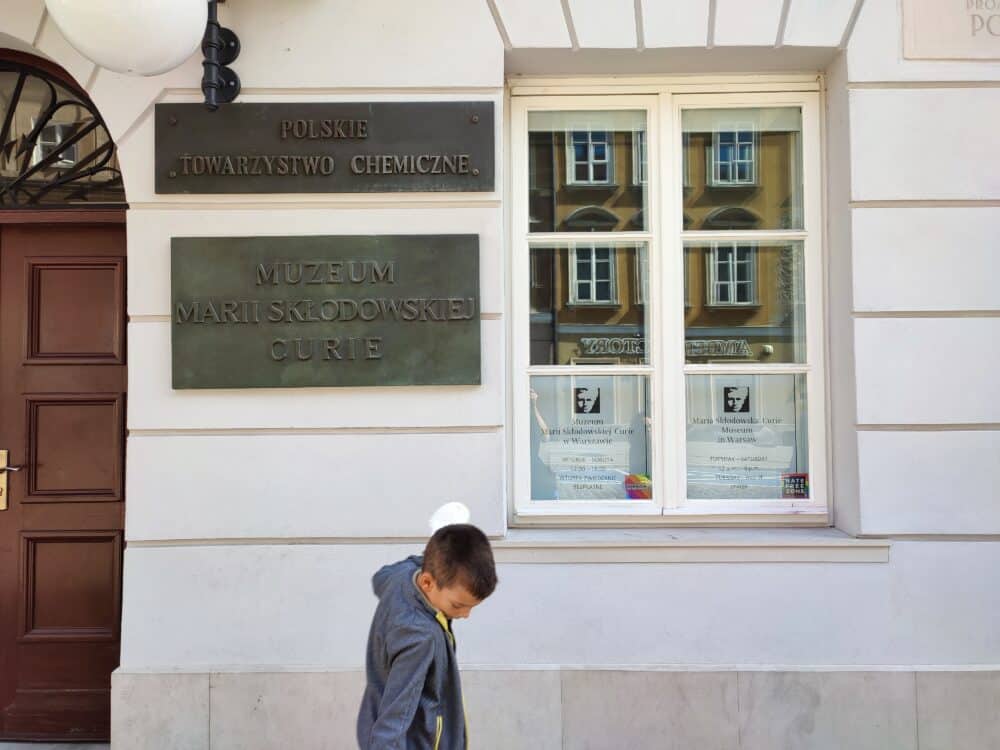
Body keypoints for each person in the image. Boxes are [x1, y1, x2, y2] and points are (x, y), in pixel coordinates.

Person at [357, 524, 498, 749]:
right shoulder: (420, 639)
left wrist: (436, 554)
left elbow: (380, 576)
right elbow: (396, 715)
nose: (465, 614)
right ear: (427, 582)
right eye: (458, 605)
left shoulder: (401, 577)